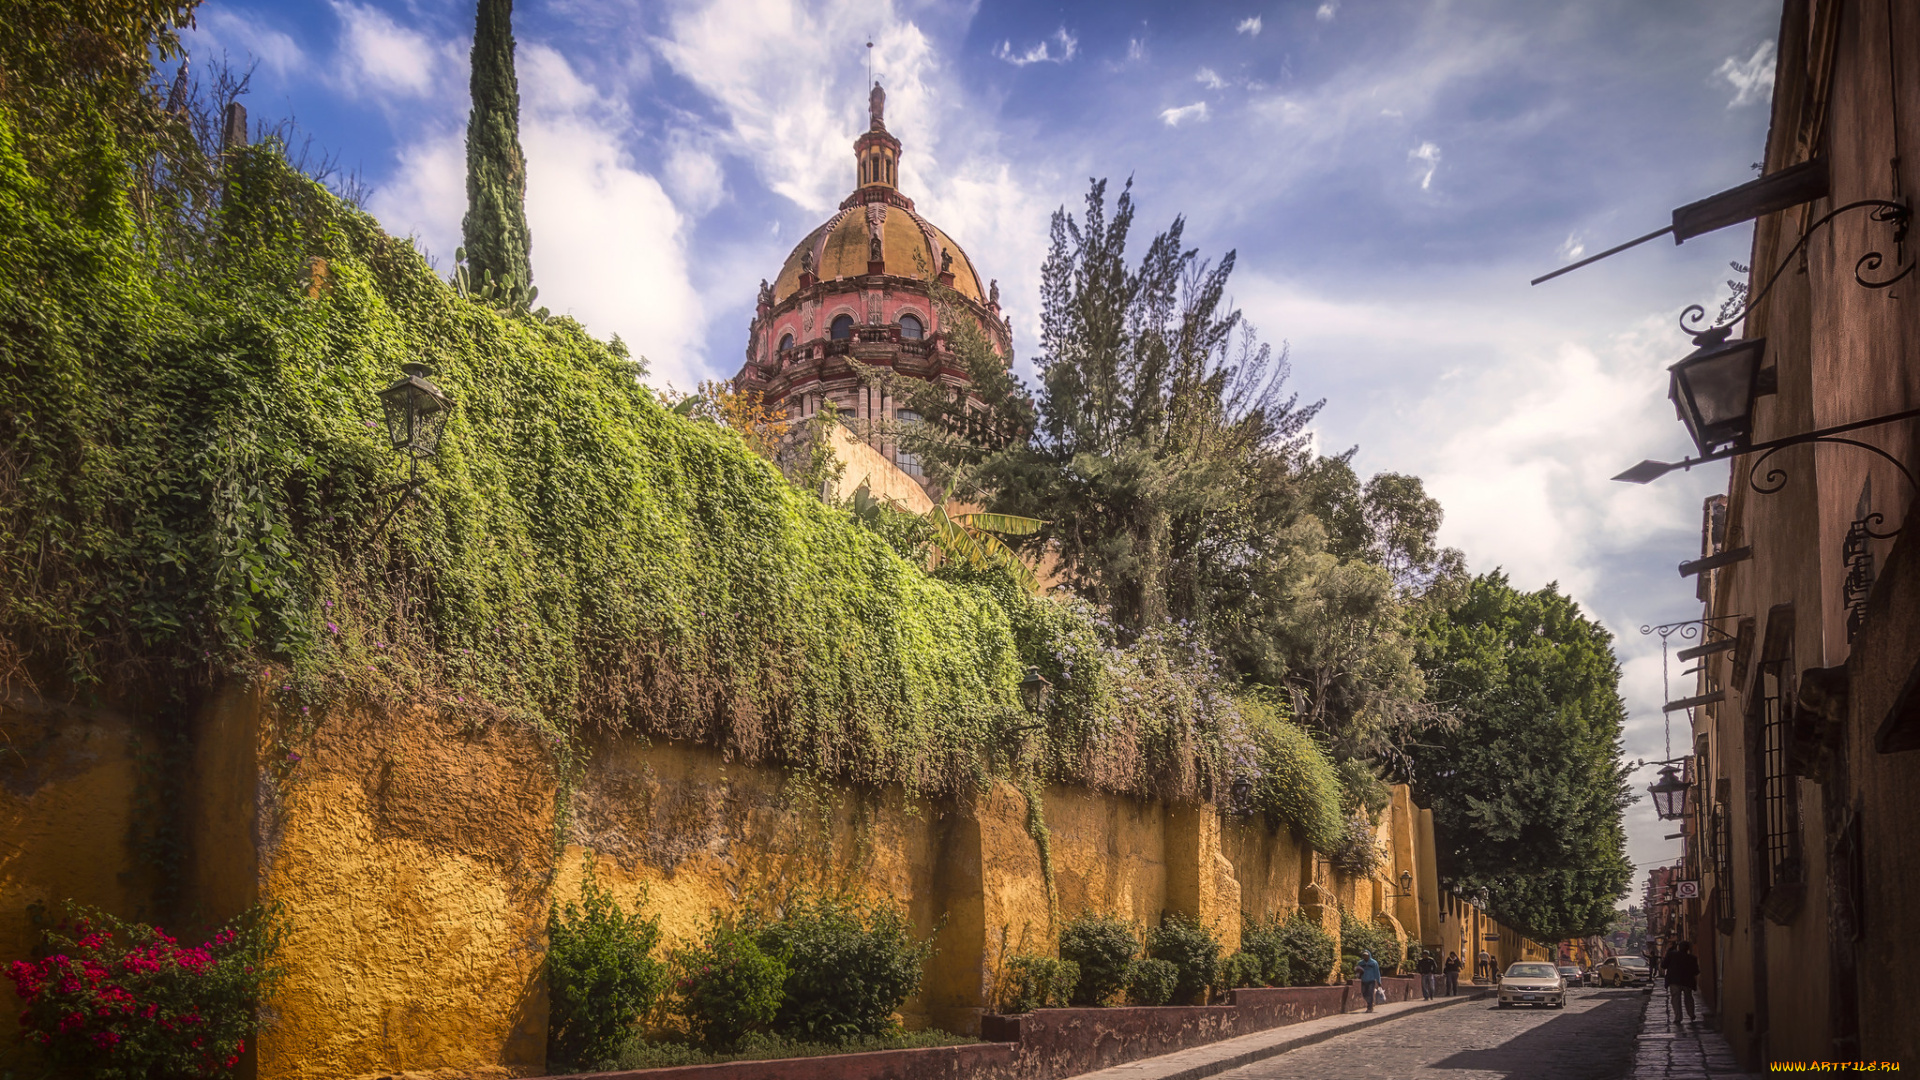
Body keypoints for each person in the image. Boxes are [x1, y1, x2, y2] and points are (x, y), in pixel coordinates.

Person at [1665, 941, 1700, 1022]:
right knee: (1688, 997)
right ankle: (1691, 1014)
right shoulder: (1692, 958)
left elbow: (1663, 965)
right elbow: (1696, 971)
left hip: (1674, 981)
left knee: (1676, 999)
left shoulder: (1671, 955)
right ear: (1688, 949)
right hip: (1687, 981)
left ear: (1678, 947)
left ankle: (1678, 1017)